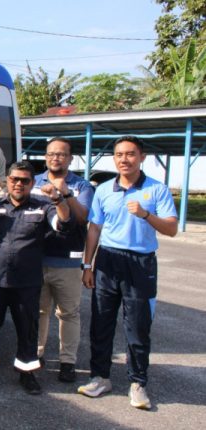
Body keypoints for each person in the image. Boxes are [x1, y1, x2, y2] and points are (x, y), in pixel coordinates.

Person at [78, 136, 177, 410]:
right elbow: (94, 229)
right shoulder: (104, 190)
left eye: (130, 154)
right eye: (119, 154)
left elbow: (171, 228)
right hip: (107, 260)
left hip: (140, 263)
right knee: (101, 323)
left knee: (137, 326)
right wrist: (87, 265)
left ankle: (138, 383)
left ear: (141, 157)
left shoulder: (157, 189)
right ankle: (100, 377)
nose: (124, 159)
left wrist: (146, 215)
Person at [0, 161, 72, 395]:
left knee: (27, 330)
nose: (19, 184)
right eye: (14, 179)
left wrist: (58, 199)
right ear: (7, 181)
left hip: (27, 283)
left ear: (32, 183)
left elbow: (63, 224)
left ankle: (27, 374)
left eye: (25, 180)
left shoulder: (44, 206)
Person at [32, 137, 94, 383]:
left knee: (68, 313)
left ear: (70, 158)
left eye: (61, 154)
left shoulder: (82, 186)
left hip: (68, 262)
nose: (55, 158)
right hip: (37, 259)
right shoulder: (34, 182)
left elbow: (83, 218)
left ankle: (67, 362)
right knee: (39, 311)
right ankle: (36, 355)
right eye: (50, 154)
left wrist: (65, 193)